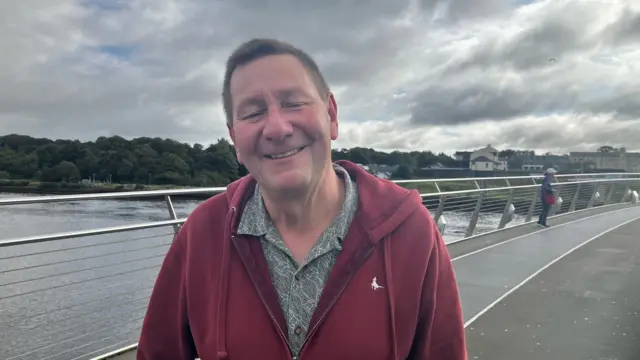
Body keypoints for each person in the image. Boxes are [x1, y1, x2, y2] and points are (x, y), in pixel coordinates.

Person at [137, 38, 467, 360]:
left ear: (331, 115)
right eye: (253, 113)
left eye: (294, 103)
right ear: (235, 138)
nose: (277, 128)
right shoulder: (204, 232)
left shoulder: (410, 232)